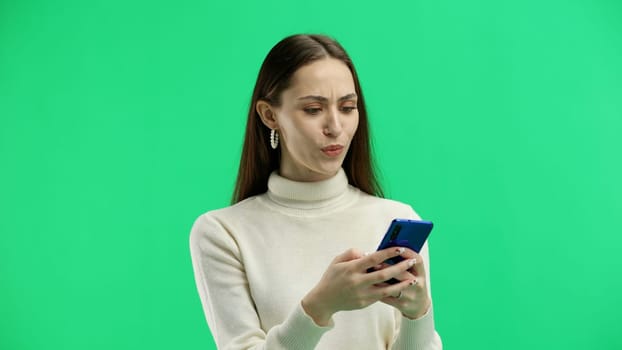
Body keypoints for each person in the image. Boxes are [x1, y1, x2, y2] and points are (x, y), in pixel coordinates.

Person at [189, 34, 442, 349]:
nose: (335, 126)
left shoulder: (396, 218)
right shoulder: (223, 233)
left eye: (348, 107)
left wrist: (418, 314)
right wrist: (321, 306)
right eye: (312, 109)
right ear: (270, 115)